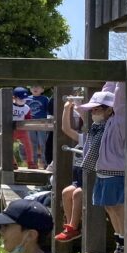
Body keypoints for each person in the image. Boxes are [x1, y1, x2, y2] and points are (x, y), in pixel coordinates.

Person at [76, 83, 126, 253]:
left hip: (116, 172)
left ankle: (126, 246)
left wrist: (121, 81)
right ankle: (120, 243)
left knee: (118, 208)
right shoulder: (98, 127)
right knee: (109, 207)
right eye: (92, 110)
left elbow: (120, 101)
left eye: (97, 109)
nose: (93, 112)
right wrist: (111, 80)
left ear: (109, 110)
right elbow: (107, 92)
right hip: (102, 172)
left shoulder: (118, 122)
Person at [54, 97, 85, 243]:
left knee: (78, 193)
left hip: (90, 180)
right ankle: (71, 225)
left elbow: (89, 121)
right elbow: (66, 129)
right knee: (66, 192)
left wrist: (78, 107)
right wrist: (67, 108)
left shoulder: (96, 136)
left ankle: (73, 226)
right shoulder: (83, 137)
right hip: (79, 178)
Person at [11, 87, 36, 169]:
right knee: (7, 146)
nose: (23, 101)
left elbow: (28, 119)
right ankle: (12, 163)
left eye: (25, 99)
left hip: (22, 130)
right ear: (14, 98)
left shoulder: (26, 108)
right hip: (10, 129)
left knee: (28, 145)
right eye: (21, 99)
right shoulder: (9, 106)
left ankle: (30, 162)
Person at [27, 86, 51, 168]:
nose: (35, 88)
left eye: (38, 87)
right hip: (30, 124)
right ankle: (33, 163)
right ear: (30, 89)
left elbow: (48, 111)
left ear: (42, 90)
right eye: (32, 87)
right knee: (32, 143)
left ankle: (45, 162)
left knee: (43, 143)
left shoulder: (45, 99)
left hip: (42, 124)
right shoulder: (27, 99)